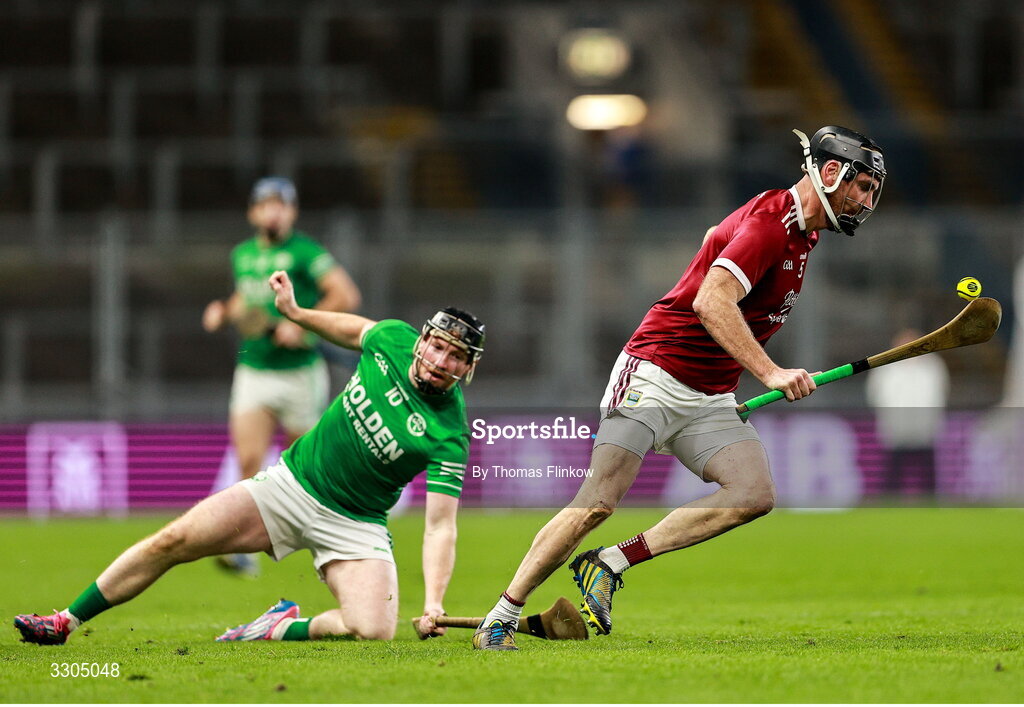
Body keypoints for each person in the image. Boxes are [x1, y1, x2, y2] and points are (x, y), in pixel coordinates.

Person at [472, 126, 887, 650]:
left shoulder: (803, 233)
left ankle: (610, 563)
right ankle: (502, 617)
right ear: (830, 174)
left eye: (872, 191)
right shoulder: (770, 224)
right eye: (863, 186)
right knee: (598, 502)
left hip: (709, 395)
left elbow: (719, 243)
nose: (867, 200)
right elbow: (710, 302)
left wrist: (729, 376)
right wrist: (772, 373)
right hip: (655, 372)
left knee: (753, 494)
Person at [14, 270, 485, 645]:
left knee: (374, 629)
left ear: (468, 368)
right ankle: (65, 620)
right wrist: (297, 313)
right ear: (423, 339)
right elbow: (355, 329)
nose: (441, 361)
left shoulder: (449, 434)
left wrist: (435, 602)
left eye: (455, 357)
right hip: (290, 488)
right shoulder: (392, 340)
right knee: (173, 541)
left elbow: (440, 525)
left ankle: (278, 626)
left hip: (357, 523)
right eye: (438, 346)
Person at [201, 176, 361, 575]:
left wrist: (303, 325)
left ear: (292, 212)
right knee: (249, 461)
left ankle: (323, 543)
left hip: (299, 375)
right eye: (266, 204)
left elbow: (345, 294)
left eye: (282, 204)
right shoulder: (242, 255)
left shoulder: (306, 253)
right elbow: (247, 299)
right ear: (253, 212)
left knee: (304, 467)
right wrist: (223, 310)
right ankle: (241, 550)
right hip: (254, 370)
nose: (274, 211)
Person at [865, 328, 949, 495]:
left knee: (927, 472)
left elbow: (940, 392)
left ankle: (930, 501)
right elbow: (875, 395)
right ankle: (889, 501)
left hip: (924, 428)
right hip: (897, 429)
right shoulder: (885, 367)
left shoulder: (932, 365)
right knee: (893, 472)